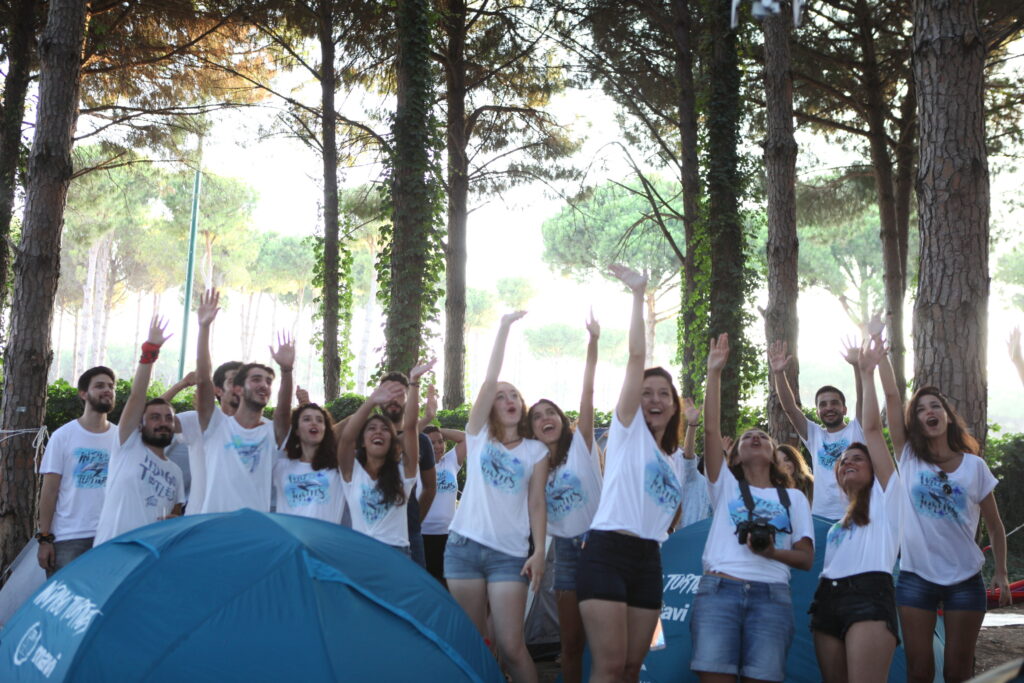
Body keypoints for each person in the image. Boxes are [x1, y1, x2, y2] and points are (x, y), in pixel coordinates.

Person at [879, 344, 1012, 683]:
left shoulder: (975, 466)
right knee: (919, 670)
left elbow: (995, 526)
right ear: (916, 422)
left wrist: (1001, 572)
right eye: (921, 409)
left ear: (947, 416)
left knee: (958, 670)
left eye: (935, 406)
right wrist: (881, 356)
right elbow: (892, 397)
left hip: (965, 580)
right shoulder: (909, 457)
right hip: (915, 578)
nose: (929, 411)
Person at [575, 265, 682, 683]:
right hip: (607, 552)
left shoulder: (674, 459)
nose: (655, 399)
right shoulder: (627, 430)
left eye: (664, 394)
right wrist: (638, 295)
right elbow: (636, 357)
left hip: (648, 560)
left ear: (674, 405)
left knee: (632, 669)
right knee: (609, 666)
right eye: (646, 392)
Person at [691, 333, 814, 683]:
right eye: (747, 437)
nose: (755, 438)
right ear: (735, 455)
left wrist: (771, 552)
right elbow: (711, 431)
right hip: (719, 592)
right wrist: (714, 372)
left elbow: (805, 558)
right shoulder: (724, 485)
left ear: (774, 453)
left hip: (772, 596)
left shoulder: (794, 498)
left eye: (762, 436)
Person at [444, 311, 548, 683]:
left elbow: (537, 503)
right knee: (475, 644)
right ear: (490, 406)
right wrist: (502, 328)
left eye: (514, 395)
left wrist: (539, 551)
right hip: (463, 548)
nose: (507, 399)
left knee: (511, 646)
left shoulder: (536, 451)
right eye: (500, 397)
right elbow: (489, 380)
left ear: (522, 404)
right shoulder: (477, 436)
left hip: (509, 555)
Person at [810, 337, 901, 683]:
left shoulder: (887, 496)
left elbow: (872, 429)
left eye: (857, 458)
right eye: (843, 460)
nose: (848, 461)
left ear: (875, 468)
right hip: (826, 597)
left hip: (869, 593)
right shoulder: (839, 525)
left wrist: (866, 373)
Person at [527, 314, 603, 683]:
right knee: (570, 643)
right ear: (532, 430)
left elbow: (587, 395)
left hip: (603, 546)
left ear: (561, 418)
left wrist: (593, 343)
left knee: (608, 641)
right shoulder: (535, 468)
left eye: (551, 412)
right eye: (538, 416)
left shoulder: (582, 447)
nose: (546, 418)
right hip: (566, 555)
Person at [194, 289, 294, 513]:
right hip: (215, 525)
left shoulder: (271, 431)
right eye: (256, 379)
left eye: (268, 381)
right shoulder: (217, 425)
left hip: (254, 528)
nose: (264, 385)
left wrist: (287, 371)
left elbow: (283, 412)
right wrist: (204, 328)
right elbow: (202, 381)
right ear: (238, 389)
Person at [94, 316, 185, 544]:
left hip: (150, 556)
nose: (162, 422)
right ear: (140, 424)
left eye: (168, 418)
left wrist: (174, 521)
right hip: (112, 549)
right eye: (154, 417)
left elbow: (176, 515)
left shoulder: (175, 472)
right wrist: (150, 351)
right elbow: (137, 396)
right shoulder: (128, 444)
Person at [337, 363, 431, 552]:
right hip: (360, 552)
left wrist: (414, 382)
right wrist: (372, 401)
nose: (378, 432)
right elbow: (346, 439)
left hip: (396, 554)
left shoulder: (404, 472)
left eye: (385, 430)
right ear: (363, 441)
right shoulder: (352, 473)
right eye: (371, 428)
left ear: (393, 441)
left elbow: (411, 427)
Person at [36, 366, 120, 576]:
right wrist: (44, 538)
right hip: (68, 538)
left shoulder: (120, 437)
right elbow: (49, 491)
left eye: (111, 386)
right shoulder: (63, 436)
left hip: (110, 537)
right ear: (83, 393)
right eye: (99, 386)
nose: (107, 390)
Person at [769, 339, 864, 520]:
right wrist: (779, 373)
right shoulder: (814, 435)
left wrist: (857, 366)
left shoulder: (857, 429)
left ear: (844, 409)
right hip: (820, 516)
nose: (829, 408)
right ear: (818, 411)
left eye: (834, 403)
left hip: (855, 515)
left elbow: (863, 398)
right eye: (823, 405)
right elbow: (790, 408)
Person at [173, 360, 242, 515]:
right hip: (199, 517)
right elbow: (148, 420)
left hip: (239, 520)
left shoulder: (263, 428)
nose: (240, 387)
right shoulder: (195, 420)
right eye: (233, 381)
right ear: (218, 390)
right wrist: (181, 385)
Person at [418, 385, 466, 583]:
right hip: (422, 534)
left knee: (447, 584)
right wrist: (425, 428)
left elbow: (467, 439)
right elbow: (406, 436)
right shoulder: (415, 465)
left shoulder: (450, 461)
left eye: (440, 442)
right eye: (431, 443)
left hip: (448, 535)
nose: (437, 446)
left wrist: (438, 430)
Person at [273, 403, 346, 522]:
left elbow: (351, 422)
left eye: (320, 420)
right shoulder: (281, 466)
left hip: (323, 534)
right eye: (307, 419)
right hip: (287, 534)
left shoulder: (337, 467)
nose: (314, 423)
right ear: (296, 430)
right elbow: (281, 416)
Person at [677, 398, 712, 528]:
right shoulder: (693, 477)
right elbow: (688, 454)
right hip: (687, 536)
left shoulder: (726, 489)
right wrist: (692, 425)